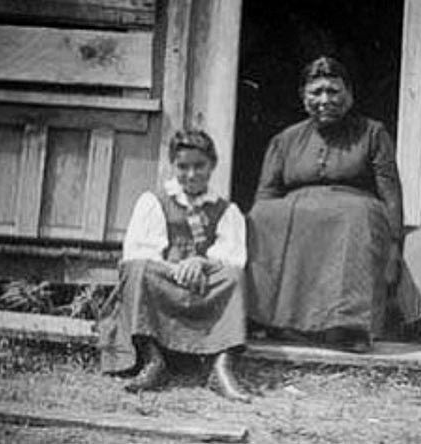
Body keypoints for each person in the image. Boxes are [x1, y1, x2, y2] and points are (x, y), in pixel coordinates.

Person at [246, 56, 404, 351]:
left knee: (358, 215)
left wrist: (395, 241)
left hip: (351, 209)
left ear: (349, 94)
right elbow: (265, 194)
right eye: (315, 92)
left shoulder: (372, 133)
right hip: (298, 210)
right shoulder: (286, 139)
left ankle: (344, 328)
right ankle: (272, 320)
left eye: (333, 91)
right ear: (303, 97)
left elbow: (391, 193)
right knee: (262, 216)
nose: (325, 99)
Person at [99, 129, 250, 402]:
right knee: (137, 268)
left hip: (203, 287)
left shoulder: (226, 210)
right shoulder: (154, 202)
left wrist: (200, 262)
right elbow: (138, 250)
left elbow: (233, 255)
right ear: (173, 166)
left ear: (213, 165)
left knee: (234, 275)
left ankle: (222, 367)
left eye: (199, 166)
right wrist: (176, 269)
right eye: (183, 166)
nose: (191, 175)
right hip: (164, 282)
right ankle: (153, 360)